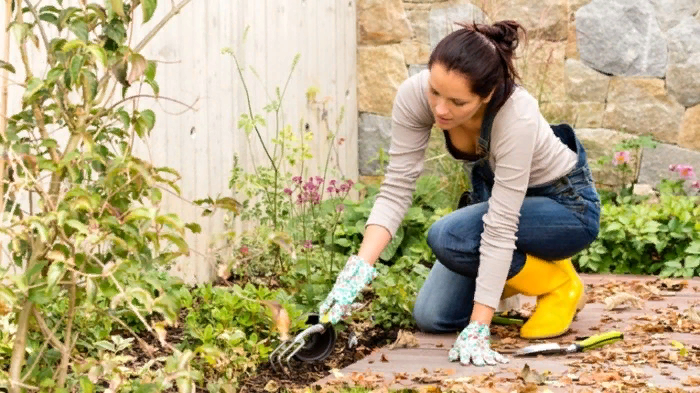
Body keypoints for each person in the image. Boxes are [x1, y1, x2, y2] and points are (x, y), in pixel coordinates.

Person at [318, 20, 601, 367]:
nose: (440, 108)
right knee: (433, 317)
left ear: (488, 94)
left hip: (566, 209)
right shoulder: (415, 95)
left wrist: (479, 328)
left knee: (449, 236)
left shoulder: (516, 114)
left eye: (457, 101)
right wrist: (358, 269)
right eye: (435, 91)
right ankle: (533, 269)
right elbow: (396, 188)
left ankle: (558, 284)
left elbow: (499, 226)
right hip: (504, 208)